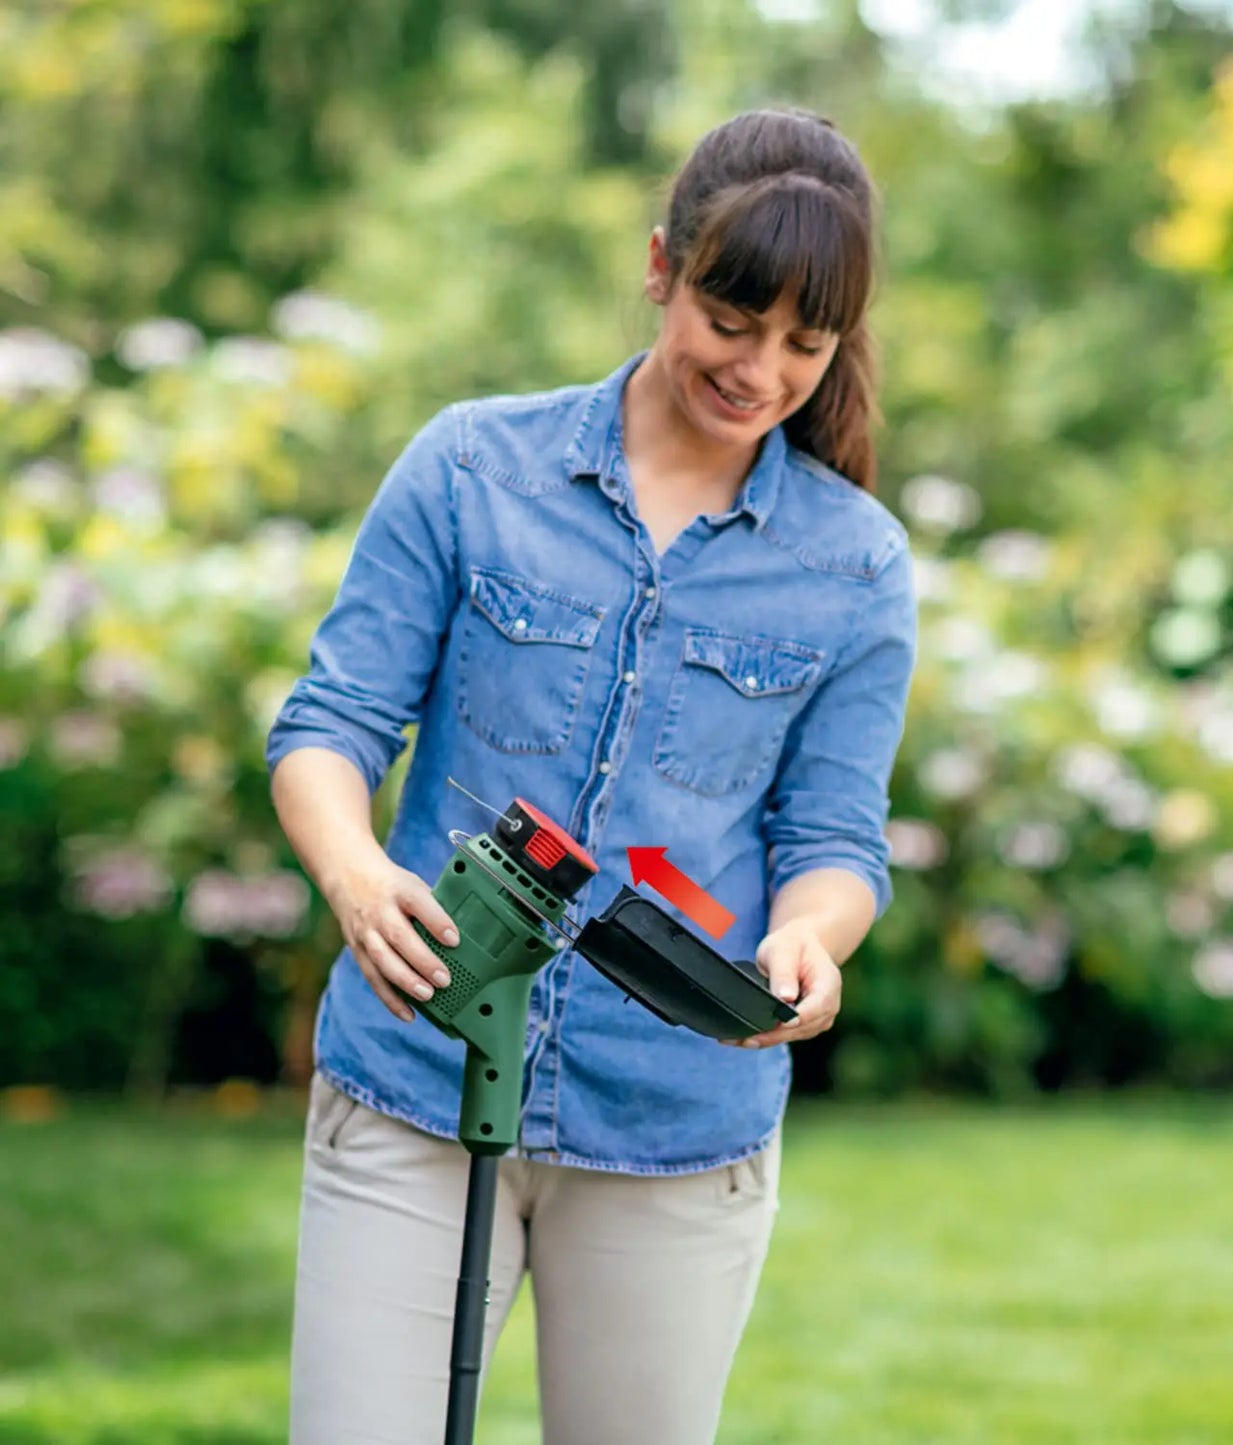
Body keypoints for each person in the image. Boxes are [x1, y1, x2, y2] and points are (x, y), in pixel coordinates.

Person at [267, 105, 917, 1445]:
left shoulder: (854, 565)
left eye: (806, 345)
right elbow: (332, 720)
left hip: (676, 1124)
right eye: (732, 322)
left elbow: (835, 837)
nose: (761, 371)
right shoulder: (472, 468)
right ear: (662, 266)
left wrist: (812, 938)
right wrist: (356, 874)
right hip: (416, 1077)